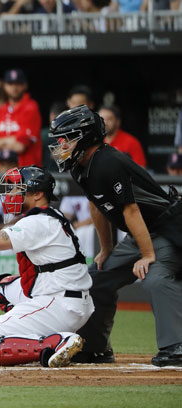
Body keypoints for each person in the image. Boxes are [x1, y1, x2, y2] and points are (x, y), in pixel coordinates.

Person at [48, 104, 182, 367]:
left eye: (67, 139)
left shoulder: (109, 162)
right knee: (96, 279)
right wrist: (106, 249)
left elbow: (131, 211)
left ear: (84, 138)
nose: (61, 145)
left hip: (168, 228)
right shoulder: (80, 164)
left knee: (155, 279)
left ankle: (176, 345)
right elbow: (96, 206)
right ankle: (96, 348)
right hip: (141, 232)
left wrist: (147, 255)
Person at [0, 166, 93, 367]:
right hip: (64, 294)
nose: (11, 195)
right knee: (2, 287)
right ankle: (29, 328)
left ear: (37, 194)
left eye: (17, 190)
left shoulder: (39, 221)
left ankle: (56, 342)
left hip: (60, 303)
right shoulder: (48, 216)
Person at [0, 69, 42, 167]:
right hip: (1, 173)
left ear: (25, 85)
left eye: (18, 83)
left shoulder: (31, 108)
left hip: (26, 173)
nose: (14, 87)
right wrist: (9, 140)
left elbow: (19, 146)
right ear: (5, 86)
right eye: (10, 83)